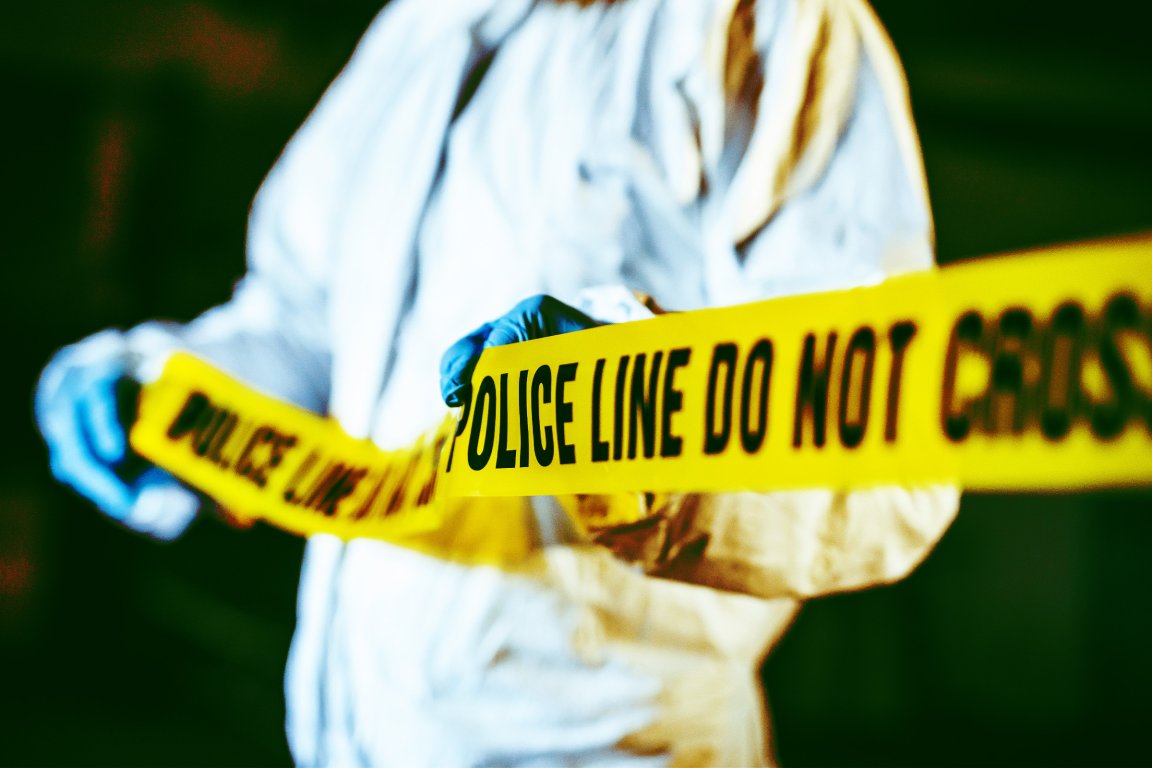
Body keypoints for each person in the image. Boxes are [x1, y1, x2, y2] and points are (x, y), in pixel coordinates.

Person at [36, 0, 959, 764]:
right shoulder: (420, 30)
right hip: (347, 735)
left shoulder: (769, 29)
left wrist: (646, 416)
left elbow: (883, 444)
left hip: (609, 747)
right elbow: (307, 325)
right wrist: (163, 391)